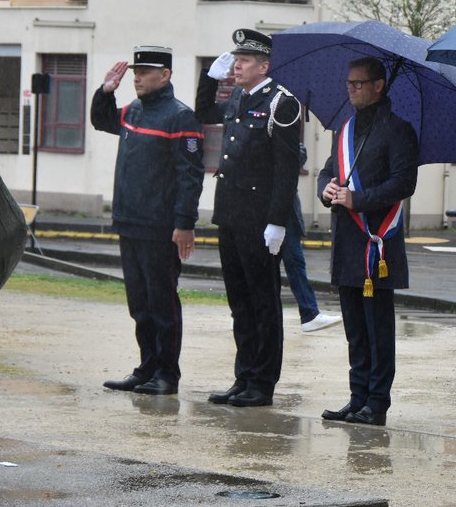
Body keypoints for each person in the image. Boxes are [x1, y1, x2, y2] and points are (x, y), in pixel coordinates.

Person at [195, 29, 302, 408]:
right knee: (239, 303)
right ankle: (243, 376)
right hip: (231, 215)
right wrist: (209, 79)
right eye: (235, 59)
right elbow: (204, 114)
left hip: (260, 221)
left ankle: (262, 382)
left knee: (263, 302)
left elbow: (287, 169)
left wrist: (278, 221)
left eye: (244, 60)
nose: (236, 65)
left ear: (264, 65)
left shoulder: (282, 104)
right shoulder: (239, 96)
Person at [91, 45, 204, 396]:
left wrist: (184, 223)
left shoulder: (180, 117)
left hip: (160, 227)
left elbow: (191, 175)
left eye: (144, 71)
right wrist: (105, 91)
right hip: (130, 221)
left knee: (162, 303)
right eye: (135, 71)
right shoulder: (133, 111)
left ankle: (167, 374)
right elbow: (102, 120)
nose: (136, 77)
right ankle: (147, 367)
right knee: (139, 303)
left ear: (165, 75)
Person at [317, 56, 419, 427]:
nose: (352, 90)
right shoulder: (345, 131)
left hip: (378, 242)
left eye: (359, 84)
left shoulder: (398, 130)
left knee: (377, 330)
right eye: (349, 83)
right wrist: (326, 189)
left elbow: (403, 183)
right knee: (354, 329)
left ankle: (376, 402)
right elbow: (330, 170)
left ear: (379, 86)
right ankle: (356, 396)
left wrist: (357, 199)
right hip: (347, 241)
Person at [283, 189, 343, 332]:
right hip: (279, 207)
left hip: (278, 205)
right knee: (294, 264)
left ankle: (309, 313)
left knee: (291, 264)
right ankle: (309, 313)